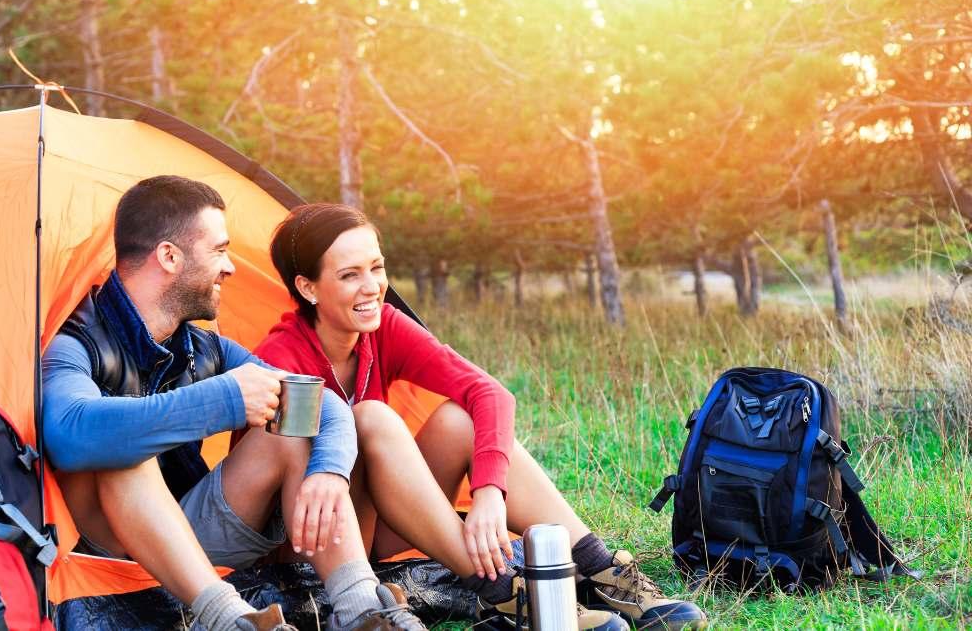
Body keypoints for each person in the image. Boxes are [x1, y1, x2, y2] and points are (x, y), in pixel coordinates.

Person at [254, 203, 709, 631]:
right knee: (370, 416)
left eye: (377, 267)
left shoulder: (383, 327)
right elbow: (279, 494)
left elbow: (487, 392)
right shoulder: (281, 358)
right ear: (307, 287)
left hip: (379, 530)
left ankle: (601, 571)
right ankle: (503, 592)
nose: (372, 286)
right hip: (312, 542)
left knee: (459, 419)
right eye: (350, 274)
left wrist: (489, 492)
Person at [41, 178, 427, 631]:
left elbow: (322, 404)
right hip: (107, 559)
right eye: (220, 250)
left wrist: (329, 470)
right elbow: (68, 433)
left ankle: (362, 607)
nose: (231, 268)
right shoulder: (76, 345)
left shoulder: (205, 348)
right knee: (124, 450)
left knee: (291, 428)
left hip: (188, 533)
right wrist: (221, 400)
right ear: (169, 257)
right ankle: (231, 619)